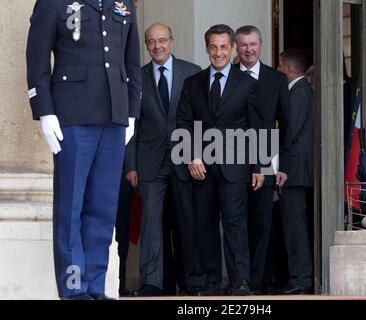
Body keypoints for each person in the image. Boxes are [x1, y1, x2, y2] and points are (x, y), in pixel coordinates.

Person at [26, 0, 141, 300]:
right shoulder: (53, 2)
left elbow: (131, 61)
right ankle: (74, 288)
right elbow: (37, 58)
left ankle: (94, 287)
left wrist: (132, 111)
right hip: (72, 115)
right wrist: (44, 110)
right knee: (71, 208)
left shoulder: (124, 3)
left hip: (115, 116)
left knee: (103, 210)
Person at [177, 24, 265, 296]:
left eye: (224, 47)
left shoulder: (249, 84)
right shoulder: (193, 84)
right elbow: (183, 122)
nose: (218, 53)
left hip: (235, 166)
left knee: (235, 224)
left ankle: (240, 281)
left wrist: (259, 165)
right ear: (206, 49)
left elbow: (257, 125)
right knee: (204, 225)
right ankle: (211, 280)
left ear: (233, 48)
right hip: (201, 167)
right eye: (213, 47)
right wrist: (191, 155)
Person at [125, 23, 203, 297]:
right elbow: (132, 125)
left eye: (162, 41)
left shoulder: (192, 72)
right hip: (149, 162)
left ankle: (193, 282)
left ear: (172, 41)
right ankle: (151, 283)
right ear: (146, 46)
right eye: (151, 42)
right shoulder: (137, 76)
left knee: (188, 222)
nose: (157, 46)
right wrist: (131, 165)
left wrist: (199, 154)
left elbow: (200, 121)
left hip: (186, 160)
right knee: (151, 224)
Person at [224, 25, 291, 294]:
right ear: (235, 48)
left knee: (261, 224)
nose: (248, 50)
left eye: (253, 44)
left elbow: (285, 125)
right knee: (234, 223)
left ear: (261, 45)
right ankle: (238, 281)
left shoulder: (276, 79)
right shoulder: (226, 77)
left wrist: (282, 165)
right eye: (243, 45)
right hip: (231, 159)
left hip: (264, 158)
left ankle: (257, 282)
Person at [277, 48, 314, 295]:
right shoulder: (298, 90)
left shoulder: (299, 92)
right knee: (293, 225)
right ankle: (297, 275)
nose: (278, 70)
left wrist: (281, 167)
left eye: (280, 66)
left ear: (289, 69)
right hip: (295, 170)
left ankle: (301, 278)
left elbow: (291, 131)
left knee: (295, 227)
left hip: (294, 170)